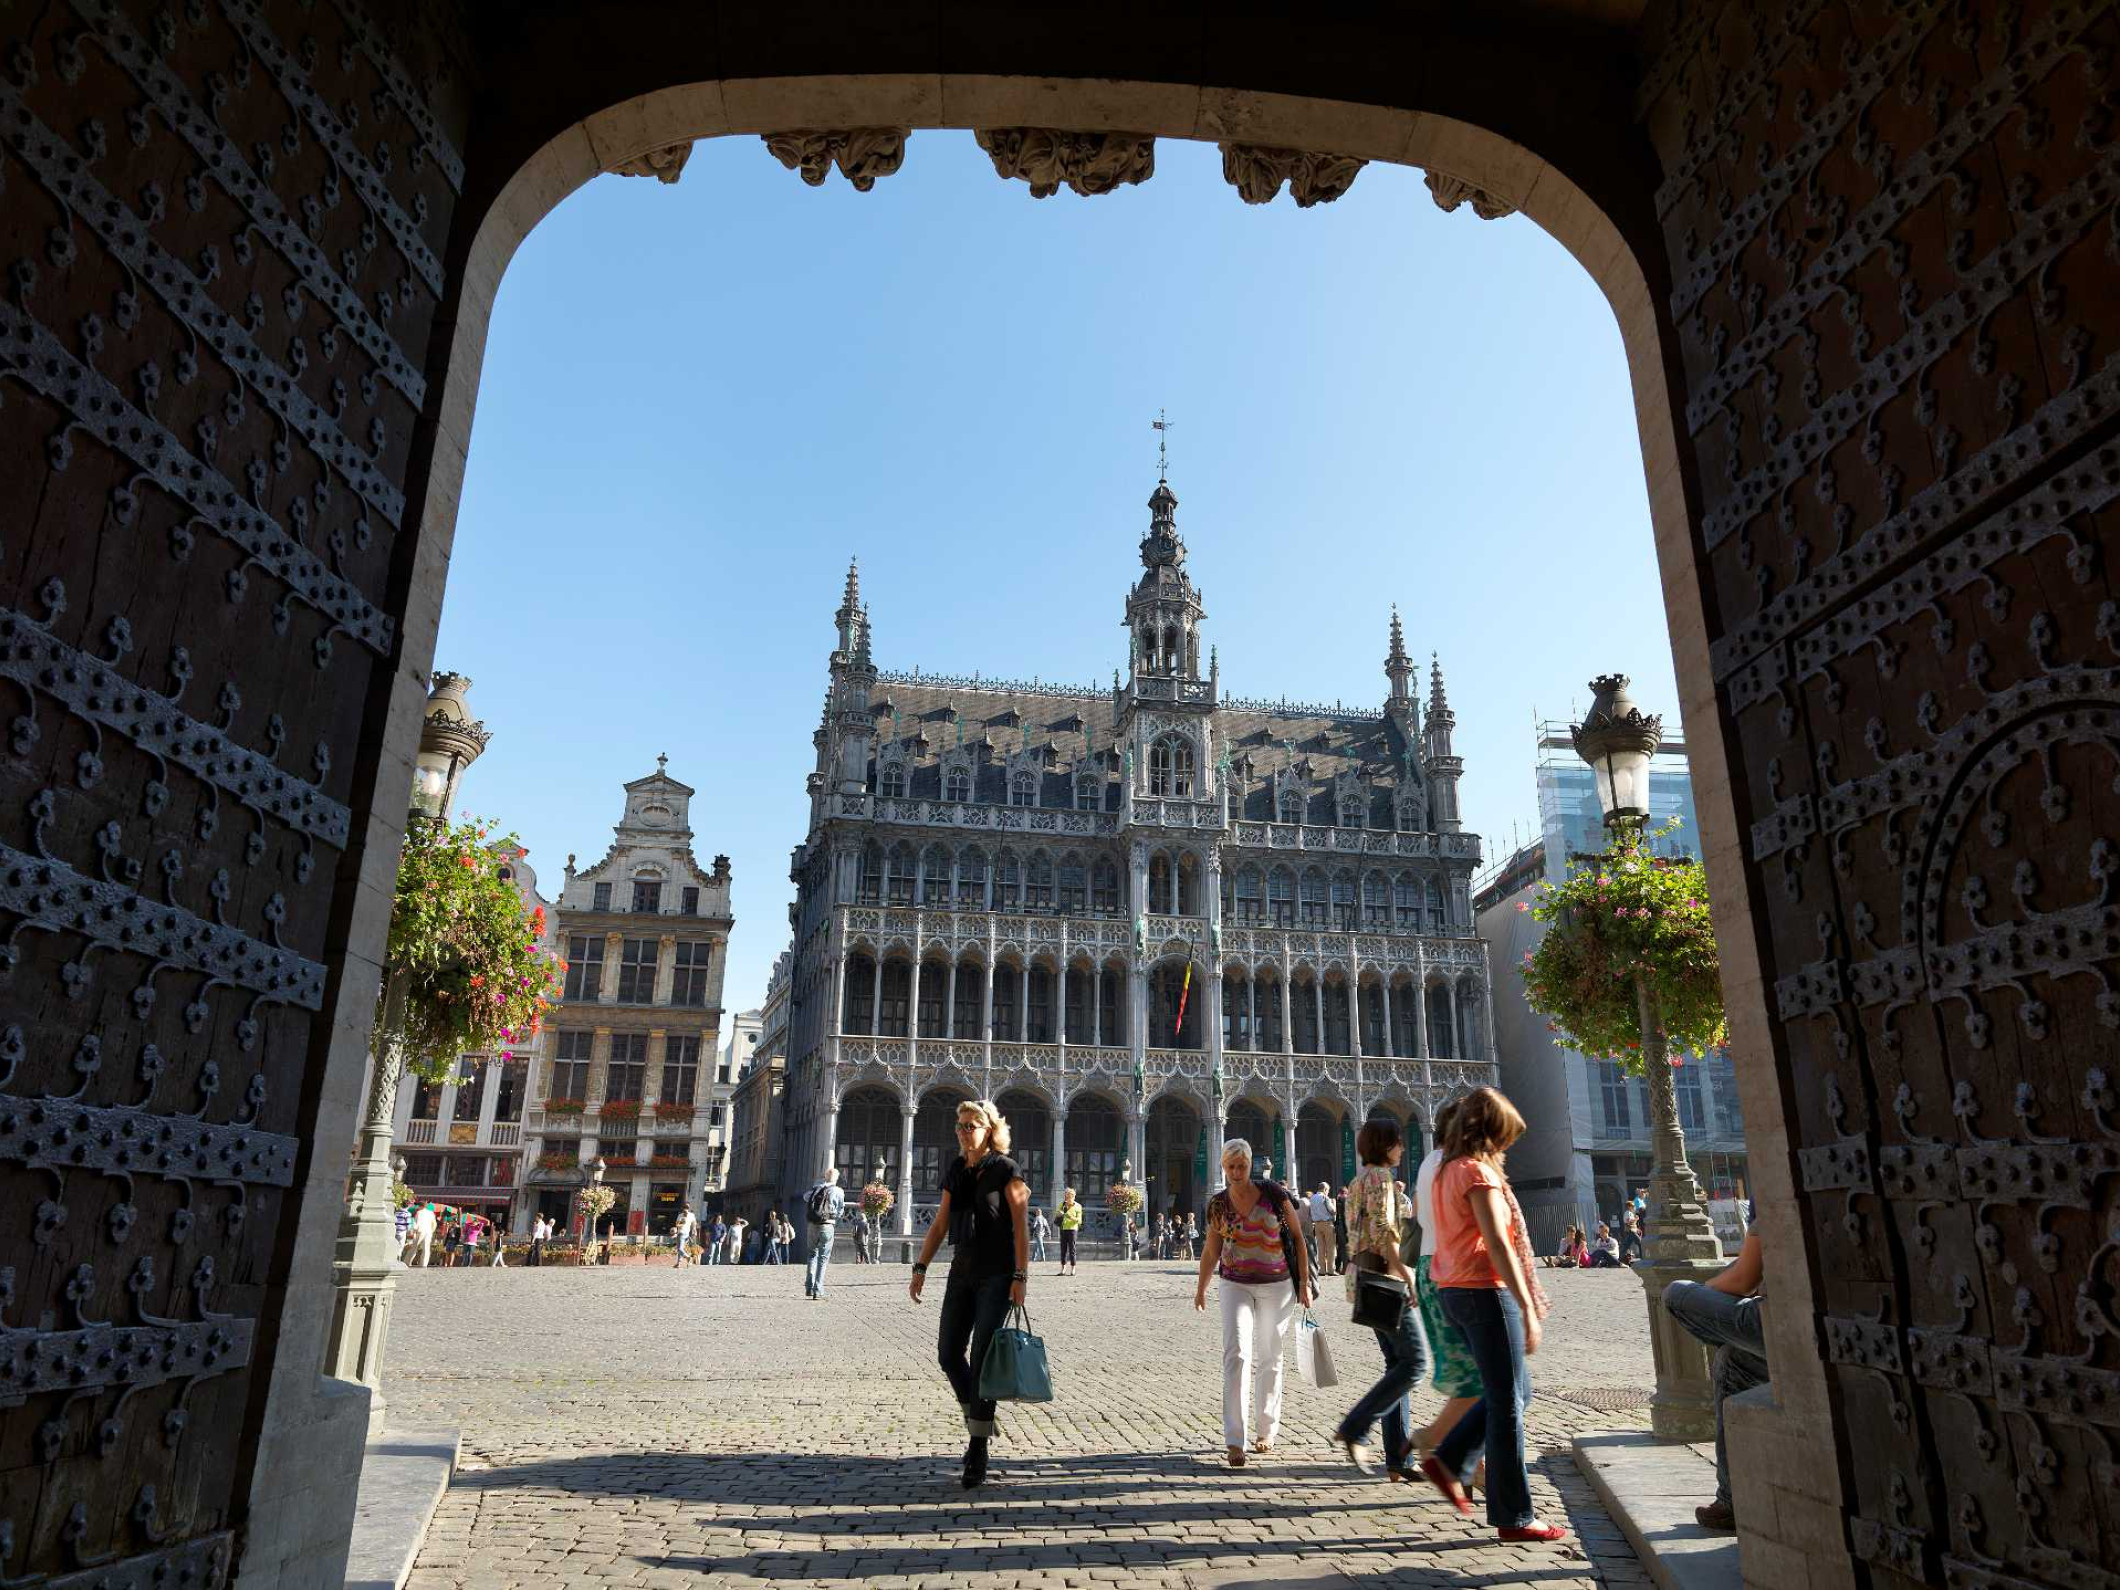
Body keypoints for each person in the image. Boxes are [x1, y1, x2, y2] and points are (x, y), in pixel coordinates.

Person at [1419, 1086, 1567, 1543]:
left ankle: (1451, 1458)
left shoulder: (1445, 1170)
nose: (1506, 1148)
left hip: (1455, 1290)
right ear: (1489, 1133)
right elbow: (1497, 1243)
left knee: (1515, 1392)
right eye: (1504, 1138)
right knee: (1507, 1404)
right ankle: (1514, 1515)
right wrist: (1527, 1306)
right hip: (1484, 1290)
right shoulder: (1475, 1174)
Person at [908, 1099, 1030, 1490]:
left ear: (989, 1130)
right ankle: (980, 1420)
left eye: (971, 1126)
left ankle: (977, 1448)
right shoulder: (957, 1168)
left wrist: (1020, 1276)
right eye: (959, 1126)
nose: (963, 1132)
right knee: (948, 1354)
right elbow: (942, 1222)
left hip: (997, 1273)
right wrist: (921, 1266)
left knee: (981, 1361)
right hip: (961, 1270)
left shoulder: (1006, 1170)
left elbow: (1021, 1227)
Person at [1194, 1138, 1312, 1467]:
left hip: (1278, 1285)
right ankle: (1235, 1439)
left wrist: (1304, 1283)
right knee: (1237, 1354)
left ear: (1250, 1165)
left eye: (1241, 1166)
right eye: (1230, 1166)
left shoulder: (1274, 1195)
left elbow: (1299, 1240)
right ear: (1223, 1167)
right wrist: (1201, 1287)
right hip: (1235, 1284)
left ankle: (1266, 1430)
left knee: (1271, 1355)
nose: (1236, 1172)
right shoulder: (1218, 1204)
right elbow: (1211, 1251)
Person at [1334, 1117, 1430, 1479]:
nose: (1403, 1148)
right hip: (1384, 1279)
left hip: (1363, 1277)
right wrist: (1409, 1276)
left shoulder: (1357, 1181)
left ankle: (1398, 1459)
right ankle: (1356, 1425)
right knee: (1416, 1362)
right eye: (1398, 1142)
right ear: (1385, 1145)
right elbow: (1385, 1231)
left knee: (1397, 1364)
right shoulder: (1381, 1179)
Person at [1663, 1220, 1768, 1531]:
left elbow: (1744, 1278)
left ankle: (1733, 1502)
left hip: (1779, 1321)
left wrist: (1706, 1292)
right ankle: (1731, 1500)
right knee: (1730, 1361)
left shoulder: (1771, 1185)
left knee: (1676, 1293)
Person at [804, 1166, 846, 1298]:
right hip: (827, 1225)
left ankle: (809, 1287)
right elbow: (840, 1210)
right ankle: (818, 1289)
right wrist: (834, 1218)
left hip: (812, 1225)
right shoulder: (838, 1191)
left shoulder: (817, 1188)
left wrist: (818, 1186)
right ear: (836, 1178)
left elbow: (805, 1197)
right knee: (823, 1258)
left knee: (812, 1255)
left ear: (825, 1177)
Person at [1308, 1183, 1338, 1277]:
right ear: (1325, 1189)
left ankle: (1321, 1270)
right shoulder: (1325, 1198)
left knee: (1320, 1248)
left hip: (1317, 1224)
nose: (1328, 1192)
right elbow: (1333, 1211)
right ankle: (1331, 1270)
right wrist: (1334, 1204)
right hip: (1327, 1223)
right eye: (1328, 1190)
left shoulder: (1312, 1198)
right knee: (1330, 1248)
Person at [1056, 1187, 1082, 1274]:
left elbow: (1079, 1220)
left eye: (1069, 1196)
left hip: (1072, 1230)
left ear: (1073, 1196)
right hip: (1063, 1229)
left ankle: (1073, 1268)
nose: (1067, 1198)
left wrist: (1069, 1216)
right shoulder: (1062, 1204)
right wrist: (1059, 1213)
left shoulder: (1078, 1206)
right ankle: (1063, 1269)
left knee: (1072, 1249)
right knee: (1063, 1249)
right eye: (1066, 1196)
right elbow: (1057, 1213)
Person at [412, 1202, 437, 1267]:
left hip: (420, 1231)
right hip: (428, 1232)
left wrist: (414, 1230)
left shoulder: (419, 1212)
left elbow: (416, 1222)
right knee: (426, 1249)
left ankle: (407, 1262)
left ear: (421, 1206)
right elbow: (434, 1224)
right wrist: (431, 1231)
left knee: (414, 1248)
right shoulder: (431, 1213)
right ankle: (424, 1264)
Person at [1332, 1188, 1349, 1273]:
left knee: (1340, 1248)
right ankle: (1345, 1268)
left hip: (1338, 1226)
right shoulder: (1345, 1199)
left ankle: (1338, 1267)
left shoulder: (1338, 1199)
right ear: (1345, 1193)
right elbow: (1345, 1215)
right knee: (1344, 1248)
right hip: (1344, 1226)